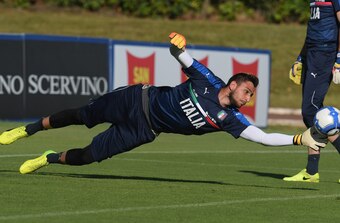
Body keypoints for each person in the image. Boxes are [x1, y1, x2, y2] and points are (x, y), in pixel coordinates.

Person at [0, 32, 326, 175]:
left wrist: (299, 139)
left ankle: (49, 158)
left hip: (144, 129)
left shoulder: (231, 119)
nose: (249, 97)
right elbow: (180, 54)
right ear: (233, 83)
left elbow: (265, 138)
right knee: (82, 115)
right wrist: (177, 43)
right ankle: (26, 131)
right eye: (247, 90)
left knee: (88, 157)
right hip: (134, 99)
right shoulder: (206, 80)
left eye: (252, 95)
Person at [285, 0, 340, 183]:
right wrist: (301, 58)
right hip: (313, 52)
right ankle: (311, 172)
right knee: (311, 111)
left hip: (325, 52)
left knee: (311, 109)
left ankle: (311, 171)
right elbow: (312, 29)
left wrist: (339, 59)